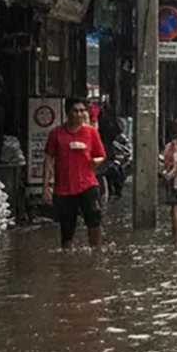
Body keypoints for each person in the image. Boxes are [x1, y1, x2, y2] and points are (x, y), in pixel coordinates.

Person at [43, 98, 107, 249]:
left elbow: (101, 154)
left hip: (88, 184)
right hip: (64, 188)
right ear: (67, 113)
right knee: (66, 227)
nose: (79, 114)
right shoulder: (56, 133)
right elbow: (48, 159)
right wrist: (46, 186)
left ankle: (96, 252)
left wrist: (97, 161)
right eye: (75, 111)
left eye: (82, 111)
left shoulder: (91, 133)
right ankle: (67, 258)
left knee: (94, 220)